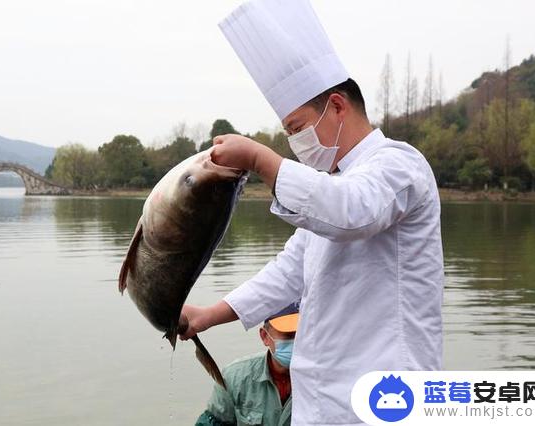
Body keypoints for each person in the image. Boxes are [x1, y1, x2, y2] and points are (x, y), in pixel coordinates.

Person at [181, 0, 444, 425]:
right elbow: (290, 270)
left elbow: (351, 213)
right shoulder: (333, 186)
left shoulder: (398, 165)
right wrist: (210, 314)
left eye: (297, 128)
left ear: (338, 107)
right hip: (322, 403)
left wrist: (261, 160)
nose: (295, 144)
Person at [195, 304, 299, 426]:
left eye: (302, 334)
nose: (297, 341)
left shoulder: (323, 379)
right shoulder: (234, 378)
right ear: (265, 336)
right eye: (288, 335)